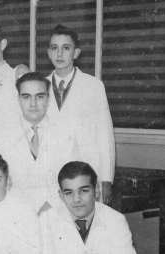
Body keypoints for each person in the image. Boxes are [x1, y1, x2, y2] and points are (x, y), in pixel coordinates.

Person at [45, 24, 115, 204]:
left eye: (66, 48)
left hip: (86, 170)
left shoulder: (93, 86)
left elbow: (105, 135)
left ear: (76, 53)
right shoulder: (41, 86)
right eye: (55, 48)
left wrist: (106, 179)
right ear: (49, 53)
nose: (59, 54)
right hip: (51, 174)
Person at [0, 72, 80, 213]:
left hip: (56, 210)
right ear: (18, 99)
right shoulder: (1, 136)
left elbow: (74, 181)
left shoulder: (66, 135)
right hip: (14, 212)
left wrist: (48, 209)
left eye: (40, 96)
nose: (33, 103)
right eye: (26, 97)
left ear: (48, 99)